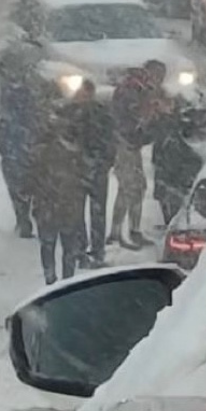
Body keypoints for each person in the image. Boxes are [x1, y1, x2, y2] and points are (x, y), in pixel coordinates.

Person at [108, 60, 169, 250]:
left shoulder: (140, 89)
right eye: (158, 76)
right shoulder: (131, 90)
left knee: (136, 187)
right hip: (123, 145)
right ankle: (117, 233)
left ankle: (130, 230)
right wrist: (152, 112)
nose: (159, 82)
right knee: (129, 187)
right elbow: (131, 118)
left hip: (130, 145)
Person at [27, 92, 85, 285]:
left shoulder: (43, 149)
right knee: (66, 244)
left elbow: (31, 175)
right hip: (63, 203)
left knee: (49, 243)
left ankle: (52, 279)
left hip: (50, 203)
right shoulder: (71, 150)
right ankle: (65, 281)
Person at [61, 79, 116, 269]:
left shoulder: (101, 114)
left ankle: (97, 252)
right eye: (80, 93)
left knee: (97, 213)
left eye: (86, 94)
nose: (82, 97)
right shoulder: (69, 114)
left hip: (95, 169)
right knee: (77, 214)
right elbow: (63, 141)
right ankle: (81, 251)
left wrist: (105, 163)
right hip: (77, 170)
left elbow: (110, 140)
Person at [0, 40, 44, 238]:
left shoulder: (12, 95)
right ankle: (27, 216)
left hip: (17, 146)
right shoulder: (26, 93)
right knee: (30, 183)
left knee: (18, 185)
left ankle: (23, 218)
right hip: (23, 144)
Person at [152, 105, 204, 225]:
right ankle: (172, 220)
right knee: (170, 193)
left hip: (175, 166)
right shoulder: (168, 129)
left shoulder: (175, 128)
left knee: (171, 193)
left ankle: (173, 220)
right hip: (171, 165)